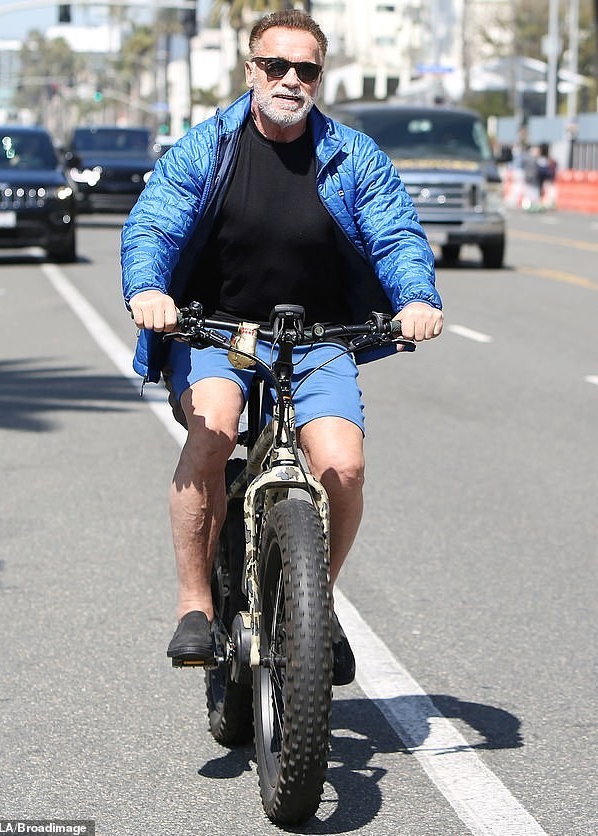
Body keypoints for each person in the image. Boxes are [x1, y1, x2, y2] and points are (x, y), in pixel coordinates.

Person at [121, 10, 443, 685]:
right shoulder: (207, 147)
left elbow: (397, 235)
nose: (290, 80)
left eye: (306, 69)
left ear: (320, 77)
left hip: (319, 336)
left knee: (343, 467)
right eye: (276, 66)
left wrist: (416, 299)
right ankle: (195, 605)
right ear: (251, 70)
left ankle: (313, 604)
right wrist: (150, 289)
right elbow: (153, 224)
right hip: (218, 330)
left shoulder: (353, 155)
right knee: (214, 431)